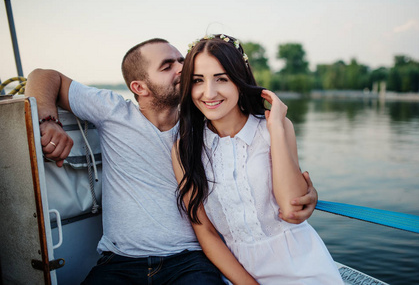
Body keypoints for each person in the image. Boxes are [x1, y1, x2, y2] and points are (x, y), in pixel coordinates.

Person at [25, 38, 318, 284]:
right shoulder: (112, 112)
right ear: (140, 87)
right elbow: (42, 75)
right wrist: (47, 121)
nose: (183, 68)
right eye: (168, 66)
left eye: (182, 60)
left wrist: (306, 194)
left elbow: (248, 160)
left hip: (190, 261)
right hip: (120, 261)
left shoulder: (203, 128)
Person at [172, 34, 343, 285]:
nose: (209, 92)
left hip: (301, 263)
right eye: (198, 81)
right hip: (236, 270)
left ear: (239, 82)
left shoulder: (275, 127)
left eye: (221, 79)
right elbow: (205, 232)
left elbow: (291, 208)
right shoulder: (184, 148)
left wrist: (276, 128)